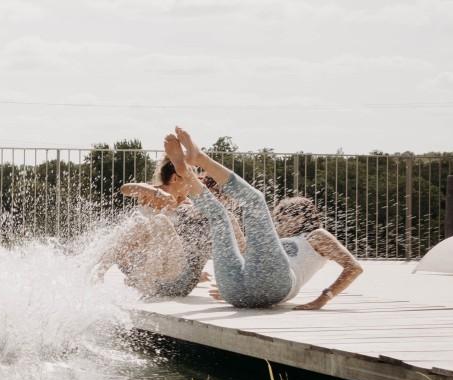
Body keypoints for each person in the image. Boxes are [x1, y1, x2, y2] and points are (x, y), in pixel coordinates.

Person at [167, 127, 362, 310]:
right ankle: (187, 175)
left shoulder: (316, 236)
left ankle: (199, 159)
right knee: (219, 217)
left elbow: (354, 268)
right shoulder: (273, 243)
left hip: (279, 285)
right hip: (237, 291)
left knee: (254, 201)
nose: (276, 221)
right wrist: (235, 287)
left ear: (301, 218)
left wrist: (323, 298)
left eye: (283, 216)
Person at [96, 157, 212, 298]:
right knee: (137, 225)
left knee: (158, 221)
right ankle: (98, 272)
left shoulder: (185, 203)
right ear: (175, 178)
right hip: (135, 259)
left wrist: (193, 273)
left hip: (163, 265)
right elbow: (125, 189)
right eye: (189, 180)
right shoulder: (150, 193)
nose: (192, 185)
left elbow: (183, 242)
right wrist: (157, 194)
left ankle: (142, 283)